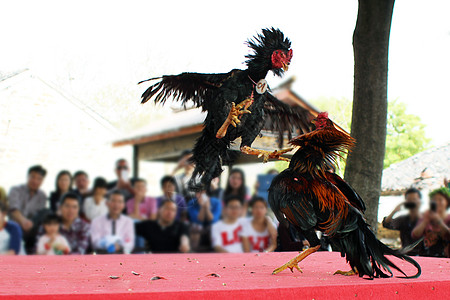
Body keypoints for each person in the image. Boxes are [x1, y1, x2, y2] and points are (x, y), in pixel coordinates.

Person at [8, 165, 47, 253]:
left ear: (42, 181)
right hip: (15, 226)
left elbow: (39, 216)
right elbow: (13, 209)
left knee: (46, 213)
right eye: (33, 177)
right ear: (27, 176)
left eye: (39, 179)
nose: (35, 181)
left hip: (32, 228)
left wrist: (30, 224)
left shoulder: (42, 196)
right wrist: (23, 221)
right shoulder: (15, 190)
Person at [382, 188, 423, 255]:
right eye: (409, 200)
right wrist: (394, 211)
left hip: (425, 255)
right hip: (407, 255)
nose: (412, 202)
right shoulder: (403, 219)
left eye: (414, 199)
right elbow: (387, 224)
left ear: (420, 201)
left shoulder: (426, 218)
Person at [412, 187, 450, 257]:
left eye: (440, 200)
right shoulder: (425, 215)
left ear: (447, 202)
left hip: (445, 258)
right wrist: (425, 221)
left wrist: (439, 221)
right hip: (426, 255)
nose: (437, 202)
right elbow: (415, 235)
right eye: (434, 200)